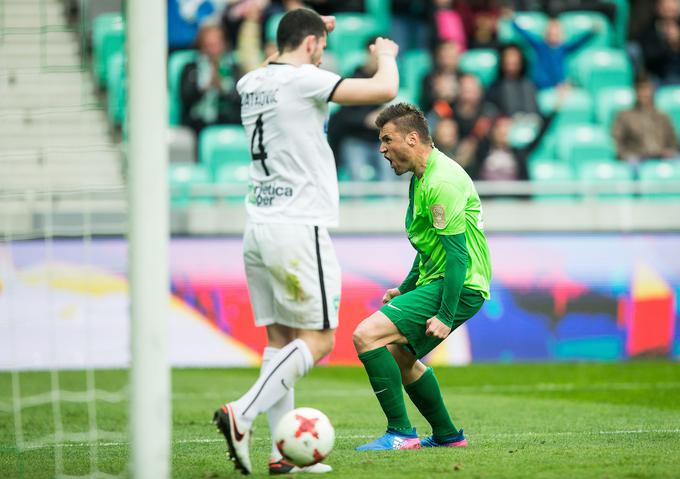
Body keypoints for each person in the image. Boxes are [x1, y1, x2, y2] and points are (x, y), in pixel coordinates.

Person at [212, 8, 400, 476]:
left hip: (258, 227)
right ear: (314, 46)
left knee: (280, 340)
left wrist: (307, 31)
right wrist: (387, 55)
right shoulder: (303, 81)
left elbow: (286, 56)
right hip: (298, 227)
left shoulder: (251, 82)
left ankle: (282, 455)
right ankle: (244, 412)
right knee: (317, 341)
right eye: (319, 46)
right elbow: (385, 91)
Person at [352, 103, 492, 450]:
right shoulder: (423, 177)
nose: (381, 149)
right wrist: (406, 286)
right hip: (442, 280)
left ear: (413, 138)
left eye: (387, 140)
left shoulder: (442, 182)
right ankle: (447, 435)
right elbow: (430, 246)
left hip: (459, 284)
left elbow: (458, 255)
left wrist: (445, 315)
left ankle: (400, 433)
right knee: (400, 355)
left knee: (366, 335)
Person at [327, 39, 393, 181]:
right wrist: (367, 119)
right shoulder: (352, 79)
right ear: (368, 53)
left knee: (389, 175)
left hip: (379, 140)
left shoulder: (387, 79)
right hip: (355, 139)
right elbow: (342, 116)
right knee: (357, 178)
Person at [180, 23, 242, 137]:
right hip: (197, 123)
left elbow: (240, 100)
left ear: (224, 44)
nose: (213, 51)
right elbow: (185, 98)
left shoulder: (233, 68)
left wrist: (223, 88)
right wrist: (203, 87)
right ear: (201, 46)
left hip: (227, 122)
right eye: (208, 45)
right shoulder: (191, 68)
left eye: (216, 45)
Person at [510, 13, 597, 89]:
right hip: (540, 84)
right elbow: (526, 35)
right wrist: (513, 21)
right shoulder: (540, 46)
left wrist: (591, 32)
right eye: (551, 32)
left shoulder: (563, 48)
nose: (553, 35)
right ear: (546, 33)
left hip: (558, 85)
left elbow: (578, 42)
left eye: (556, 33)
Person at [612, 75, 679, 164]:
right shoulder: (624, 116)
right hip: (637, 160)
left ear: (652, 91)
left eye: (647, 89)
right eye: (640, 89)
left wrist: (669, 151)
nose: (644, 93)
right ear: (635, 91)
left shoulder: (663, 116)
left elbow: (673, 142)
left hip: (661, 158)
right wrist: (626, 156)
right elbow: (616, 143)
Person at [485, 44, 540, 118]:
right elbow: (489, 111)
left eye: (515, 56)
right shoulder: (494, 87)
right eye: (508, 56)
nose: (511, 59)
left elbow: (536, 113)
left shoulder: (529, 85)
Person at [639, 0, 680, 85]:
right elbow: (648, 57)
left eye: (672, 5)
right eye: (665, 6)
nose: (669, 9)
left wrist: (677, 44)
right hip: (658, 75)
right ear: (658, 7)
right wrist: (666, 43)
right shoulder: (649, 29)